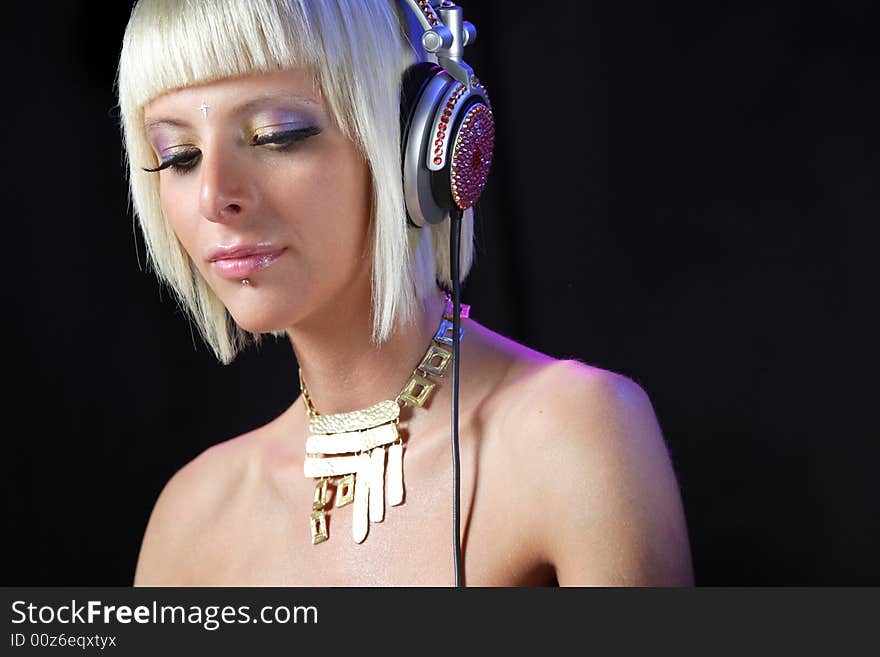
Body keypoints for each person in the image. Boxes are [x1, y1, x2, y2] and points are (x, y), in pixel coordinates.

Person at [118, 0, 693, 586]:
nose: (215, 197)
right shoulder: (190, 519)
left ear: (415, 145)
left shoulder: (575, 434)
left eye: (275, 136)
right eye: (178, 157)